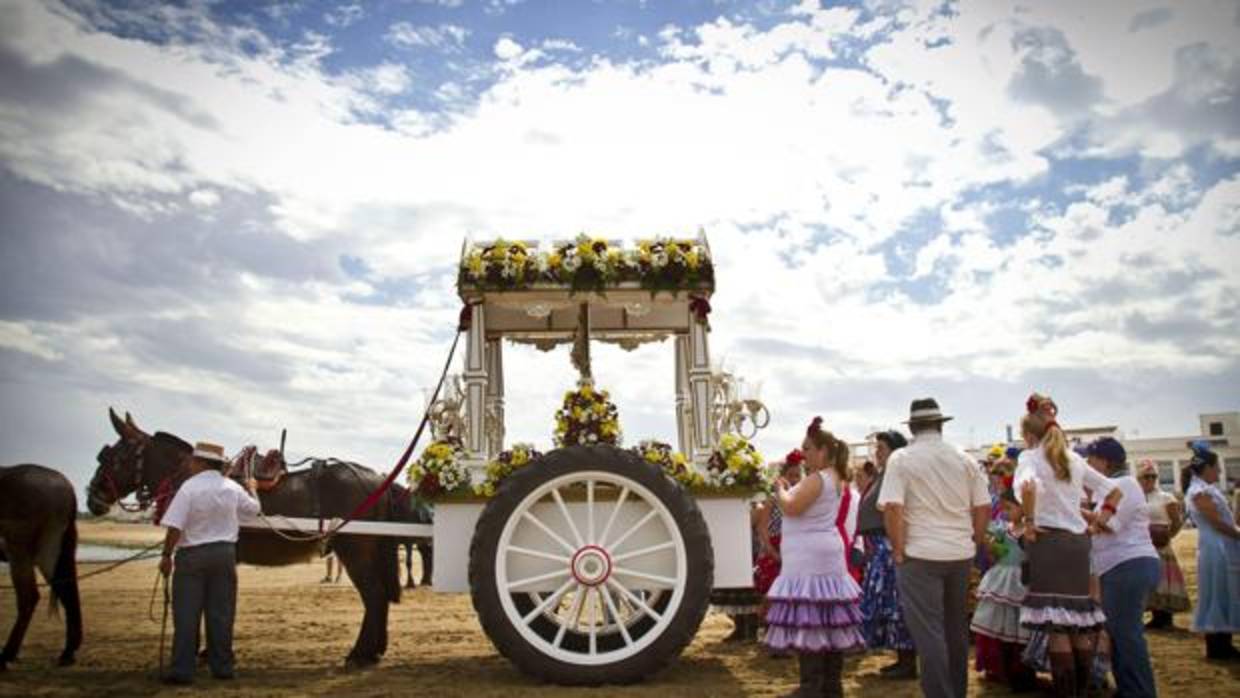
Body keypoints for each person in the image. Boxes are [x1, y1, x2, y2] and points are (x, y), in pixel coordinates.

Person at [877, 398, 991, 698]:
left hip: (920, 553)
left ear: (913, 427)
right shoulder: (965, 458)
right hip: (959, 552)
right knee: (955, 630)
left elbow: (892, 508)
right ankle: (956, 691)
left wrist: (899, 550)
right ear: (940, 425)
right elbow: (983, 506)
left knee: (929, 633)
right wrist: (974, 542)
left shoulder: (901, 458)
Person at [1012, 393, 1120, 697]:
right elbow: (1112, 492)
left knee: (1057, 626)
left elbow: (1029, 486)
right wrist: (1099, 521)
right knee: (1078, 623)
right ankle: (1084, 691)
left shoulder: (1030, 458)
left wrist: (1030, 523)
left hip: (1049, 542)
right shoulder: (1074, 460)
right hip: (1078, 544)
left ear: (1030, 435)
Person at [764, 417, 865, 697]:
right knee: (828, 619)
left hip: (810, 558)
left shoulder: (818, 478)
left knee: (812, 620)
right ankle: (831, 685)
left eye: (808, 449)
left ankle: (812, 686)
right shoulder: (836, 478)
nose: (804, 454)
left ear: (822, 451)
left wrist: (780, 490)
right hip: (824, 555)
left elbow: (792, 507)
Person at [159, 442, 261, 685]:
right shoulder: (231, 487)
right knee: (221, 614)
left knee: (186, 614)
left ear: (201, 462)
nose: (191, 464)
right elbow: (254, 511)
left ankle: (183, 670)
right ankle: (222, 667)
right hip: (225, 555)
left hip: (192, 557)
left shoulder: (189, 487)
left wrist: (166, 555)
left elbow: (175, 526)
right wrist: (253, 489)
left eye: (193, 460)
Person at [1084, 437, 1159, 698]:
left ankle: (1140, 692)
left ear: (1105, 461)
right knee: (1118, 632)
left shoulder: (1123, 484)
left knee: (1126, 634)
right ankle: (1128, 688)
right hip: (1119, 566)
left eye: (1091, 460)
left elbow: (1108, 523)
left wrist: (1072, 509)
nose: (1088, 465)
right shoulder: (1112, 485)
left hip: (1127, 565)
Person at [970, 452, 1037, 692]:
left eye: (1009, 508)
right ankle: (1002, 668)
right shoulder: (1005, 528)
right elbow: (995, 553)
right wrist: (991, 546)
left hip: (1020, 580)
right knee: (1000, 625)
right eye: (1004, 508)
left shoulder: (1028, 530)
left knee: (1020, 629)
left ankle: (1022, 671)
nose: (1006, 512)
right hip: (1002, 578)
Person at [857, 429, 916, 679]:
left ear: (894, 450)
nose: (876, 452)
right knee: (889, 605)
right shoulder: (885, 475)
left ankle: (907, 662)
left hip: (889, 545)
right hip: (879, 547)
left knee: (897, 605)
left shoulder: (896, 473)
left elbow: (896, 510)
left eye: (881, 448)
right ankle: (901, 659)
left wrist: (895, 546)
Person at [1180, 440, 1240, 660]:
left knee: (1223, 590)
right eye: (1216, 467)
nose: (1220, 471)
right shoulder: (1199, 491)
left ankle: (1223, 641)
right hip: (1216, 546)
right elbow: (1217, 522)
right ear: (1207, 468)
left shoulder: (1205, 489)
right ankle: (1217, 644)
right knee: (1217, 591)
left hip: (1221, 544)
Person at [755, 450, 803, 652]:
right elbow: (762, 528)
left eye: (797, 476)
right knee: (772, 595)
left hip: (793, 549)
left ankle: (788, 637)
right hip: (774, 548)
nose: (794, 480)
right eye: (791, 475)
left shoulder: (801, 497)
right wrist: (771, 551)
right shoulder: (773, 499)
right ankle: (771, 636)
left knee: (791, 596)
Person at [1138, 459, 1190, 629]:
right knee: (1149, 580)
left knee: (1163, 580)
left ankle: (1165, 617)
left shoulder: (1166, 497)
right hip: (1142, 544)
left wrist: (1168, 537)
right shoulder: (1136, 496)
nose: (1150, 480)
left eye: (1153, 476)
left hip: (1160, 544)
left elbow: (1177, 521)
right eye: (1146, 476)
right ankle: (1155, 615)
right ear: (1139, 478)